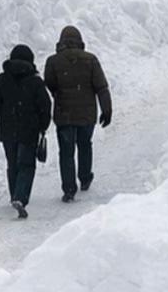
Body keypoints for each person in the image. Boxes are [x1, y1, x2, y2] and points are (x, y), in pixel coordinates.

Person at [44, 25, 111, 203]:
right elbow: (101, 87)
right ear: (80, 41)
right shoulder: (91, 60)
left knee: (66, 151)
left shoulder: (53, 61)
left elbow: (49, 83)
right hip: (86, 114)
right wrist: (107, 109)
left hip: (64, 114)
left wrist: (60, 92)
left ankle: (69, 188)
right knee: (85, 145)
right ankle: (85, 177)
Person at [0, 44, 52, 219]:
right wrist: (43, 126)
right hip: (29, 129)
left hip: (7, 129)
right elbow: (45, 105)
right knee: (27, 164)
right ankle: (20, 198)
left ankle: (14, 193)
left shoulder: (1, 79)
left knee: (12, 163)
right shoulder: (36, 82)